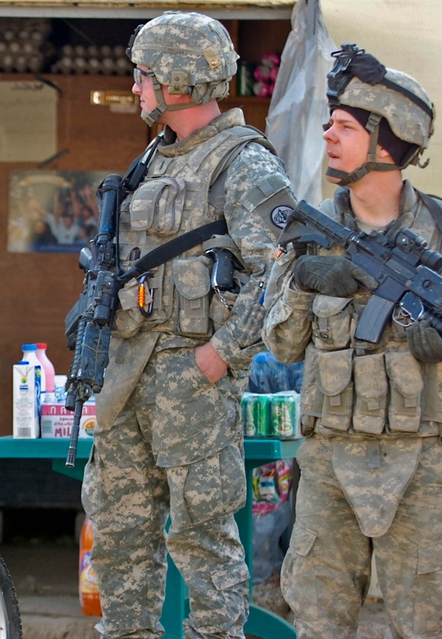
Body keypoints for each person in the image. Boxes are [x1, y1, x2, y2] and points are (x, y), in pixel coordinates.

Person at [262, 45, 442, 638]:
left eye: (344, 127)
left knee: (429, 626)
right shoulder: (313, 231)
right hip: (327, 466)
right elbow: (280, 344)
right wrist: (304, 281)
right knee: (319, 624)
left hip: (424, 467)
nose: (327, 136)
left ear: (387, 143)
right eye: (328, 123)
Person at [80, 11, 297, 639]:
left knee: (203, 540)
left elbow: (285, 270)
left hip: (192, 382)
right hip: (127, 375)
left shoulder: (245, 164)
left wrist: (225, 353)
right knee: (119, 536)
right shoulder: (155, 158)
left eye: (144, 74)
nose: (137, 87)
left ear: (177, 79)